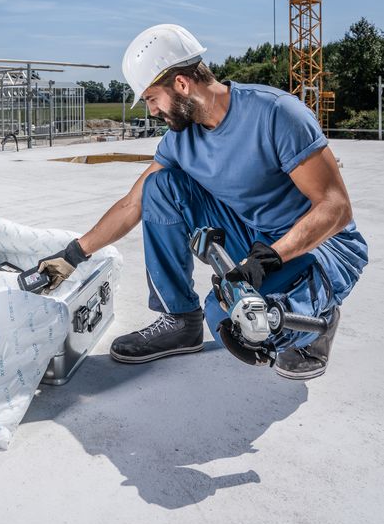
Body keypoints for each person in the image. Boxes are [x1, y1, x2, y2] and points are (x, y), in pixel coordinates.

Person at [38, 24, 368, 380]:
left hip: (321, 248)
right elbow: (132, 204)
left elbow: (335, 207)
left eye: (151, 98)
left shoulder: (276, 114)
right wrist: (74, 254)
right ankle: (180, 319)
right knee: (159, 187)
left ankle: (316, 320)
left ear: (181, 84)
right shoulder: (181, 140)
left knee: (244, 323)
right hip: (255, 236)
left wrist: (269, 259)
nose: (151, 112)